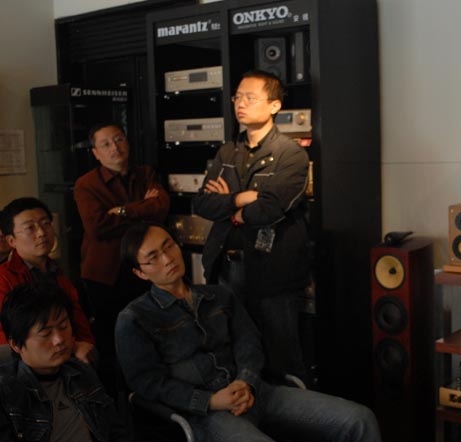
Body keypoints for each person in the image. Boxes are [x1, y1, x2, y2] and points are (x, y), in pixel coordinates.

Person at [115, 221, 380, 442]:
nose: (167, 258)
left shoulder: (219, 295)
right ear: (140, 273)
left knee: (360, 419)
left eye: (169, 246)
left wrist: (246, 381)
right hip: (207, 413)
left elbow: (248, 341)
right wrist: (210, 400)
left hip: (255, 390)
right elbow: (148, 383)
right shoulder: (134, 319)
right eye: (153, 258)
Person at [192, 70, 310, 381]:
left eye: (250, 97)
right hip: (225, 265)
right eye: (237, 97)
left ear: (274, 105)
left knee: (281, 355)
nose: (240, 103)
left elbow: (270, 207)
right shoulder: (227, 151)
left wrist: (231, 207)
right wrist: (242, 198)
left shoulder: (291, 154)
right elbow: (202, 204)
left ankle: (293, 408)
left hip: (271, 269)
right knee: (233, 351)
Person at [73, 122, 169, 393]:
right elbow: (98, 227)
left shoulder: (145, 173)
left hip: (144, 268)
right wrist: (142, 208)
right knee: (112, 339)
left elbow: (161, 208)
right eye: (105, 144)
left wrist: (123, 211)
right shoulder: (86, 184)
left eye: (119, 139)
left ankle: (148, 392)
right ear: (96, 153)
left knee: (148, 333)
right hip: (105, 275)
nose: (114, 147)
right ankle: (117, 398)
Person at [0, 282, 130, 441]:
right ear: (15, 344)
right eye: (45, 334)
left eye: (63, 326)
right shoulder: (7, 393)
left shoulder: (81, 372)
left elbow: (115, 431)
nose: (59, 339)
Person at [0, 197, 95, 364]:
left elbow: (79, 324)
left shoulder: (57, 272)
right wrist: (73, 346)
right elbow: (5, 339)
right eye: (30, 228)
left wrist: (85, 346)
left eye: (46, 224)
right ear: (11, 240)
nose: (42, 233)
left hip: (67, 357)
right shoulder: (4, 278)